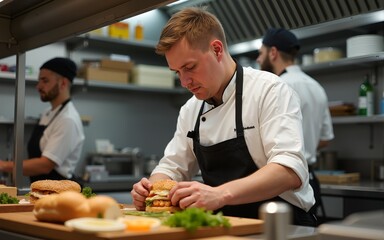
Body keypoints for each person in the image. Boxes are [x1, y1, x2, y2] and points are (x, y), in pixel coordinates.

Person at [131, 7, 316, 227]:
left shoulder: (269, 90)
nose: (184, 82)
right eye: (177, 72)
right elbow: (172, 166)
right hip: (224, 225)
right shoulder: (191, 109)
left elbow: (289, 170)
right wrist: (152, 189)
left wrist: (221, 194)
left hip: (280, 224)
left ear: (217, 50)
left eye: (190, 67)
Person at [256, 28, 334, 220]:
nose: (258, 59)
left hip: (282, 188)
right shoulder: (316, 87)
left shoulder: (275, 87)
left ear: (273, 53)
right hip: (310, 181)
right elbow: (325, 139)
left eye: (260, 53)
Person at [0, 57, 85, 183]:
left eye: (45, 81)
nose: (38, 86)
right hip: (43, 190)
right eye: (39, 81)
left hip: (59, 193)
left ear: (63, 83)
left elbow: (45, 165)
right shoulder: (47, 113)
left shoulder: (68, 120)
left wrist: (3, 165)